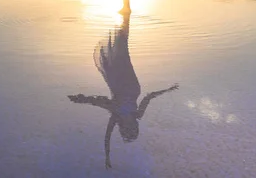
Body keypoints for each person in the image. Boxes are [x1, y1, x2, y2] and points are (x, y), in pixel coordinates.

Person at [68, 12, 179, 169]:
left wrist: (107, 155)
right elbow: (149, 97)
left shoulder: (116, 116)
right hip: (131, 83)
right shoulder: (136, 114)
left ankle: (123, 25)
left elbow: (106, 132)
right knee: (123, 52)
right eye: (133, 128)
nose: (132, 126)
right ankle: (123, 24)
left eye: (130, 129)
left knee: (118, 53)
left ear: (125, 128)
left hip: (120, 82)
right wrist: (167, 90)